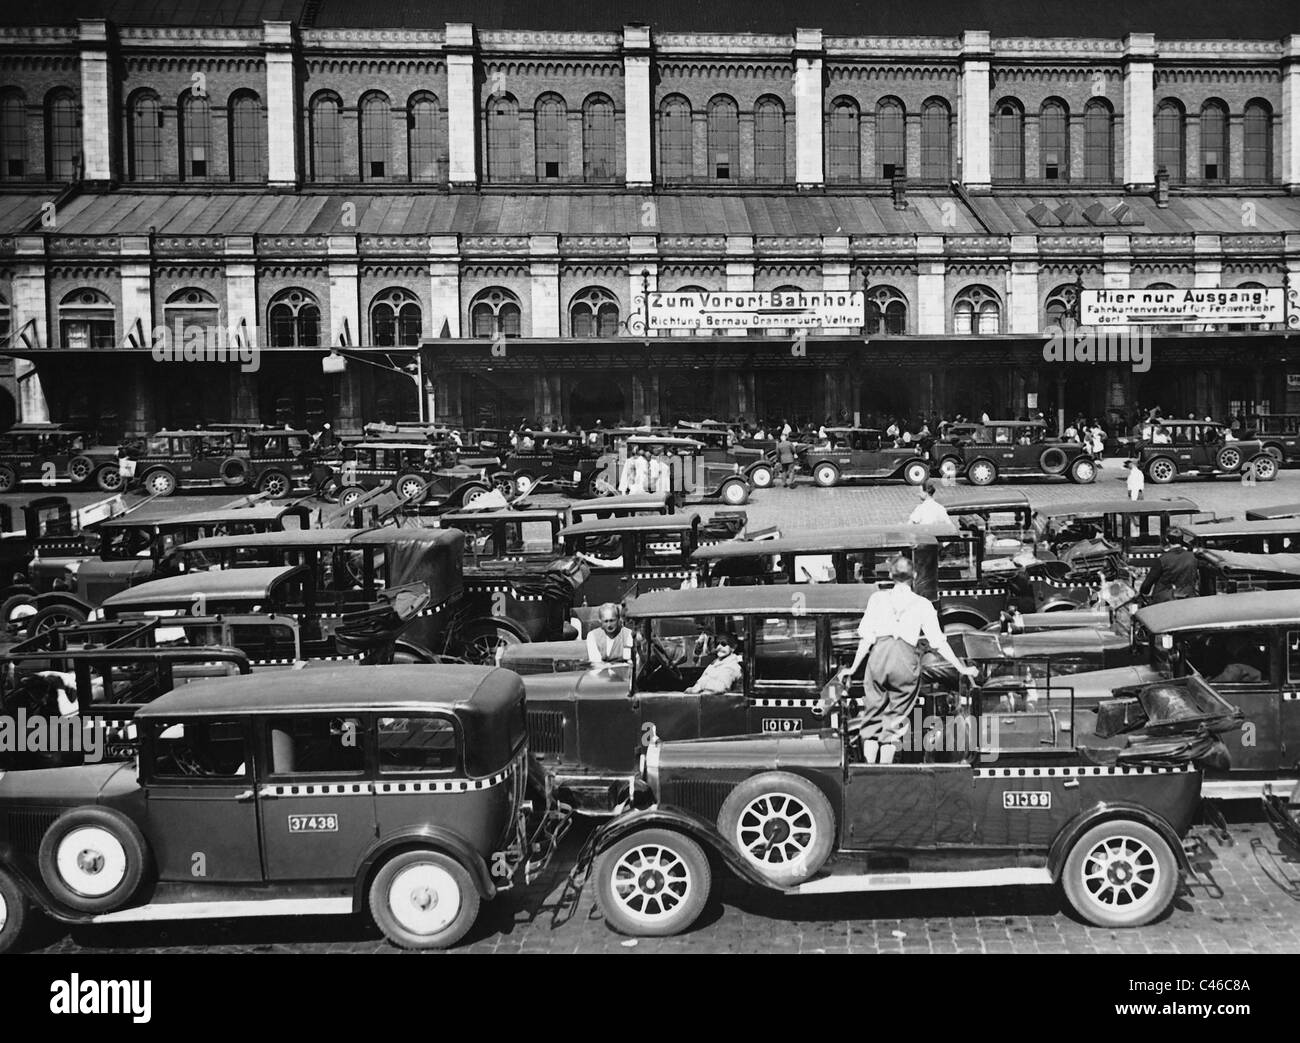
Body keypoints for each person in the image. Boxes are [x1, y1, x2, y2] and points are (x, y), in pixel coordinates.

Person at [835, 557, 977, 763]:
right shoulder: (923, 605)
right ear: (915, 577)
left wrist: (853, 668)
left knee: (873, 721)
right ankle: (884, 773)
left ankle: (867, 772)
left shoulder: (877, 599)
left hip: (878, 660)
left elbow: (866, 639)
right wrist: (961, 669)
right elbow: (938, 643)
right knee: (893, 726)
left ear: (891, 575)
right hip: (905, 663)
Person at [1139, 530, 1198, 604]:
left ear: (1167, 540)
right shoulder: (1193, 557)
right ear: (1182, 540)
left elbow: (1147, 585)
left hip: (1165, 601)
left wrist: (1143, 591)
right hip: (1188, 599)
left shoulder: (1162, 559)